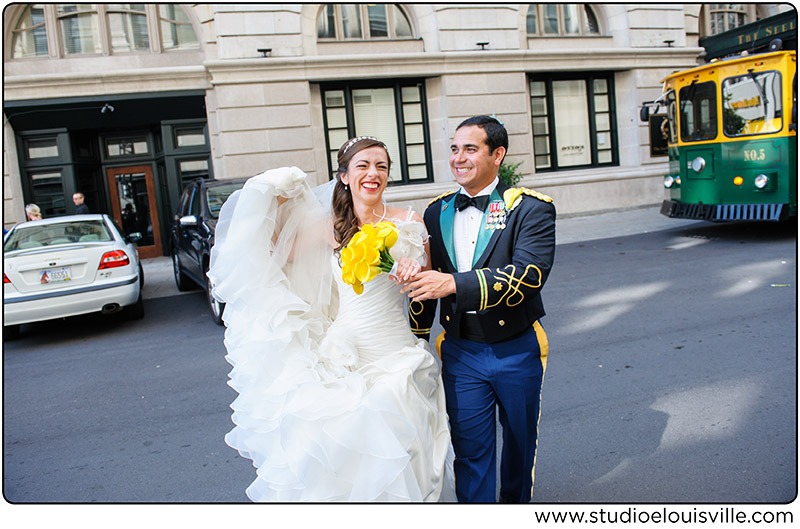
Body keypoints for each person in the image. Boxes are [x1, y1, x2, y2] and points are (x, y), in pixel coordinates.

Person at [208, 136, 453, 502]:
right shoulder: (330, 228)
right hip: (346, 350)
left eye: (382, 166)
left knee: (405, 439)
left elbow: (427, 283)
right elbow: (276, 254)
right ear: (344, 176)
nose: (374, 174)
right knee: (347, 449)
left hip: (397, 350)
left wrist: (412, 274)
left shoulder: (411, 222)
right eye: (363, 166)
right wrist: (275, 194)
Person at [401, 115, 556, 503]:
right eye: (455, 149)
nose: (459, 158)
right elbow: (426, 280)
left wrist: (453, 284)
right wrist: (414, 338)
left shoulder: (530, 209)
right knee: (470, 452)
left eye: (470, 149)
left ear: (497, 154)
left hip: (516, 347)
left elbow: (528, 275)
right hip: (461, 351)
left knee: (520, 448)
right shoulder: (436, 212)